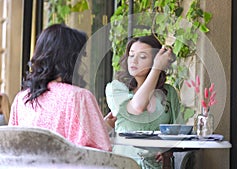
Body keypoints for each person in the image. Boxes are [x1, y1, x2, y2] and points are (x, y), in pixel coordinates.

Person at [8, 24, 111, 152]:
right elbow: (99, 156)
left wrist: (98, 125)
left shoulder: (21, 99)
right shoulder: (79, 97)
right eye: (82, 55)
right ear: (72, 59)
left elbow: (12, 148)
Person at [105, 34, 184, 168]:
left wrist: (168, 148)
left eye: (142, 57)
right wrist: (156, 69)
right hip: (123, 164)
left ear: (156, 60)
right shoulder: (116, 89)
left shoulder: (169, 93)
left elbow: (178, 132)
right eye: (131, 55)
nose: (134, 61)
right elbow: (136, 107)